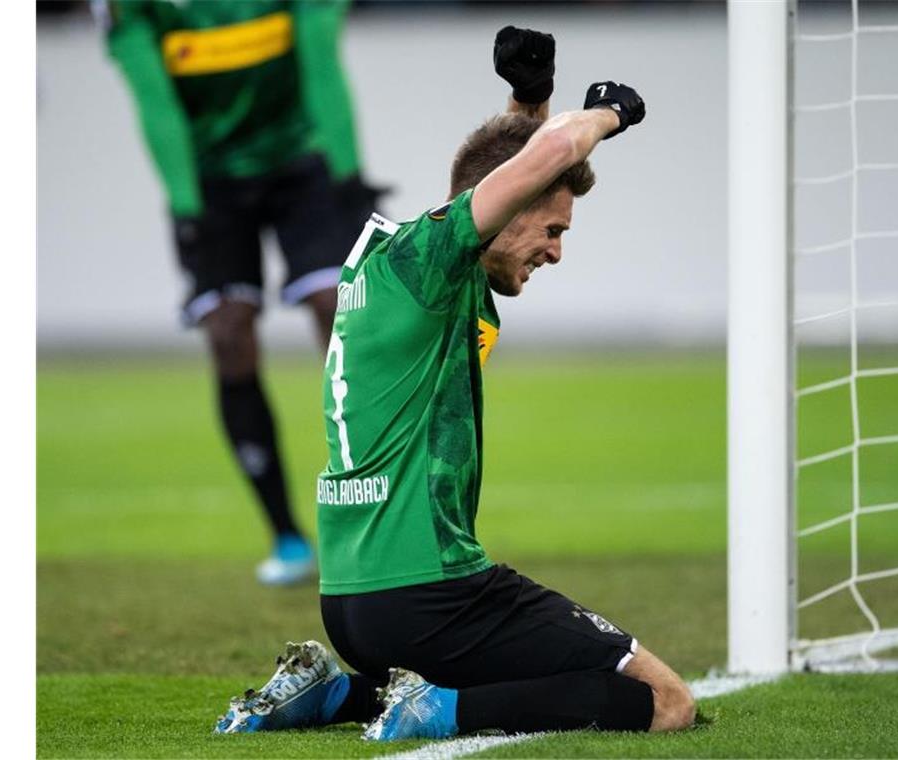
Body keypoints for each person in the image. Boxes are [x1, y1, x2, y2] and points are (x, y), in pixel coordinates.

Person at [213, 26, 696, 739]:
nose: (557, 251)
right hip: (430, 592)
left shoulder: (411, 265)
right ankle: (433, 712)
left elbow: (504, 175)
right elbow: (541, 162)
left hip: (351, 601)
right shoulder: (434, 263)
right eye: (553, 228)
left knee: (524, 668)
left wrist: (529, 99)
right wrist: (607, 115)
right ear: (506, 206)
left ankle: (335, 695)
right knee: (665, 703)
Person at [95, 0, 385, 585]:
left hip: (302, 159)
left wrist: (350, 176)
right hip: (210, 176)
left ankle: (372, 518)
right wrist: (185, 206)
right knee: (228, 335)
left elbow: (322, 63)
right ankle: (285, 534)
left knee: (340, 311)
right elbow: (155, 101)